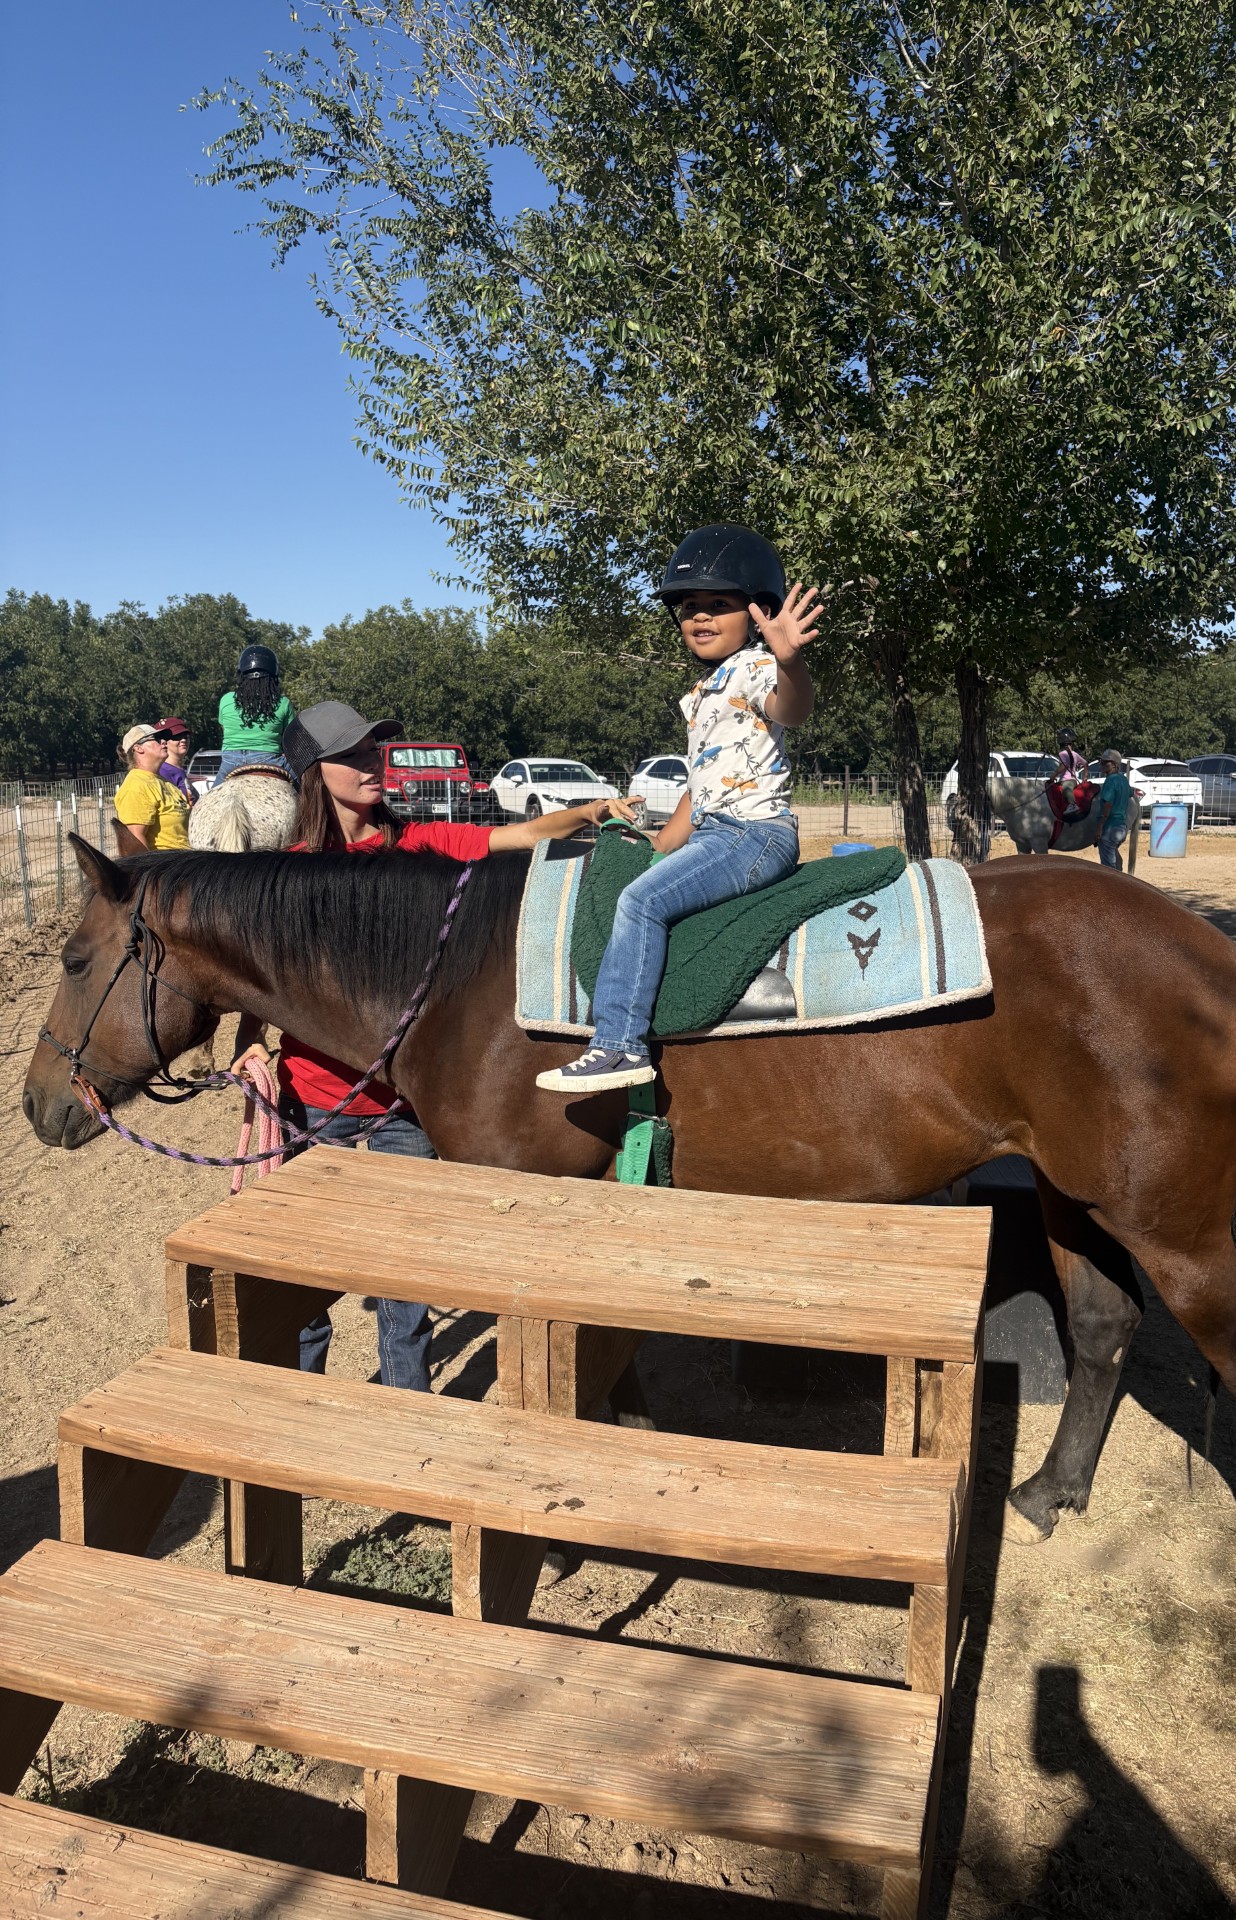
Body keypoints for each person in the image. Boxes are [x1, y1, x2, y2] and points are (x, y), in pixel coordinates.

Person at [233, 700, 634, 1392]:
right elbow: (263, 979)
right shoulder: (292, 873)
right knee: (305, 1271)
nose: (372, 764)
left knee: (408, 1278)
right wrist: (249, 1041)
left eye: (373, 750)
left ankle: (408, 1407)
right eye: (353, 755)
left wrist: (592, 812)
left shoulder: (419, 845)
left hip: (404, 1101)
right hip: (313, 1096)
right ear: (314, 772)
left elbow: (521, 835)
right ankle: (300, 1400)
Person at [537, 523, 820, 1093]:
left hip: (753, 833)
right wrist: (660, 842)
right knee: (639, 876)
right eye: (690, 607)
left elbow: (792, 710)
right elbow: (702, 785)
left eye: (719, 604)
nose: (700, 616)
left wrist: (790, 661)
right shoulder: (701, 693)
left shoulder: (757, 667)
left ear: (759, 613)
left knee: (640, 902)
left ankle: (619, 1046)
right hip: (717, 831)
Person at [216, 644, 296, 784]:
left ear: (241, 674)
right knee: (304, 784)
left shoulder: (226, 700)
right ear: (273, 675)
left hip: (229, 763)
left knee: (209, 798)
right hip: (271, 760)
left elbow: (224, 729)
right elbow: (290, 739)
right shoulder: (283, 703)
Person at [113, 723, 191, 850]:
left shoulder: (163, 782)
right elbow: (136, 842)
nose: (164, 742)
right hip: (166, 862)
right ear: (138, 748)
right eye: (157, 739)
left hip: (183, 860)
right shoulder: (136, 786)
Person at [1095, 749, 1132, 870]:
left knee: (1108, 868)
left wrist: (1099, 828)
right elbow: (1130, 793)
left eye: (1106, 762)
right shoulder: (1123, 779)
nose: (1102, 764)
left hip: (1110, 828)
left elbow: (1107, 806)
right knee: (1114, 861)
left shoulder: (1110, 781)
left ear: (1115, 764)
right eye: (1101, 762)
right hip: (1122, 828)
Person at [154, 718, 197, 805]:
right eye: (177, 737)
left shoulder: (178, 770)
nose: (184, 740)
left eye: (186, 736)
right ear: (163, 742)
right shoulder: (163, 772)